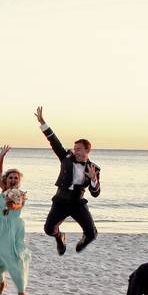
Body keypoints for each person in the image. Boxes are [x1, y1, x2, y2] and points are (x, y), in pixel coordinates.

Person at [34, 106, 101, 255]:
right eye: (74, 148)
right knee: (48, 229)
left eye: (78, 149)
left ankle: (84, 239)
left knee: (92, 234)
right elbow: (54, 141)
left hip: (78, 203)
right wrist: (43, 124)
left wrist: (93, 179)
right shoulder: (65, 158)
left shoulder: (94, 168)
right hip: (61, 200)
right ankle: (60, 237)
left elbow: (95, 193)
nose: (74, 150)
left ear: (86, 151)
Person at [0, 146, 31, 295]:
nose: (13, 180)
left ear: (19, 181)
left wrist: (12, 203)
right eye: (10, 177)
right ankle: (2, 282)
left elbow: (17, 207)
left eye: (16, 178)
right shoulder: (3, 189)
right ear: (6, 180)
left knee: (11, 258)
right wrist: (1, 156)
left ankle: (21, 291)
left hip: (12, 228)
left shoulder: (20, 194)